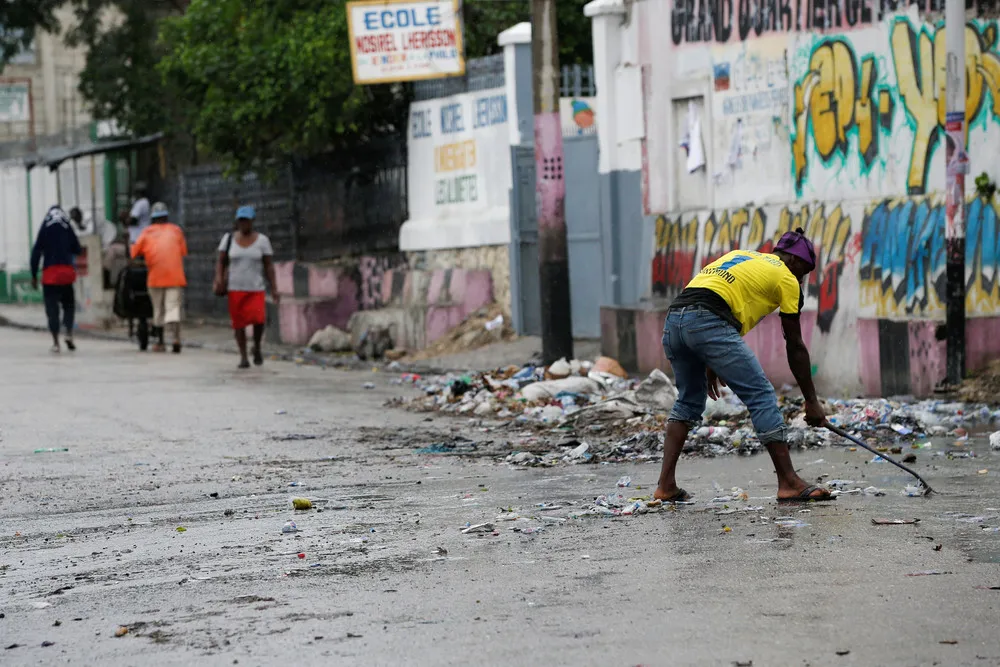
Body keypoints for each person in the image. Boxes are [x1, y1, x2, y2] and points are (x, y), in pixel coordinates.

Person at [655, 228, 834, 504]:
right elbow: (795, 345)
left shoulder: (742, 256)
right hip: (708, 322)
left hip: (676, 319)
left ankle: (665, 486)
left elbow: (717, 296)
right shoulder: (787, 278)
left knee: (688, 400)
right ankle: (788, 483)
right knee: (761, 395)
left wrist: (710, 358)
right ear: (795, 261)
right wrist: (811, 401)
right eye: (804, 272)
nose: (801, 280)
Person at [214, 205, 279, 369]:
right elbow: (221, 261)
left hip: (255, 288)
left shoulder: (263, 241)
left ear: (252, 221)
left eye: (247, 221)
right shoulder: (228, 239)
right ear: (237, 222)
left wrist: (275, 288)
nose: (244, 224)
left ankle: (256, 346)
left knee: (259, 320)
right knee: (239, 324)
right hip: (235, 288)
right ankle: (243, 356)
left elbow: (268, 266)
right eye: (241, 221)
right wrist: (219, 278)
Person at [130, 202, 187, 353]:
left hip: (155, 278)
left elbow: (134, 253)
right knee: (173, 308)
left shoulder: (147, 232)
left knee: (158, 310)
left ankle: (160, 342)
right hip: (175, 277)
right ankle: (176, 339)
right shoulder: (176, 231)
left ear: (153, 219)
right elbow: (182, 251)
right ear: (167, 217)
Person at [29, 206, 82, 353]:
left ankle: (56, 343)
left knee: (52, 310)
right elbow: (77, 248)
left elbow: (36, 252)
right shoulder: (67, 226)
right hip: (66, 273)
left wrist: (33, 275)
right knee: (69, 306)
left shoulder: (45, 227)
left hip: (50, 275)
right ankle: (69, 334)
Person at [128, 182, 151, 247]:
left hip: (137, 237)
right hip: (140, 236)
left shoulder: (141, 203)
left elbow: (133, 220)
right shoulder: (145, 202)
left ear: (139, 193)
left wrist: (126, 219)